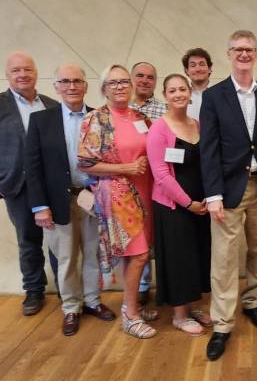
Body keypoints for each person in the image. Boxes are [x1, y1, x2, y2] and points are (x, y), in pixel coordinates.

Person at [200, 30, 257, 361]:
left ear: (256, 53)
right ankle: (222, 324)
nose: (244, 54)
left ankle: (252, 301)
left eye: (249, 49)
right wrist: (212, 195)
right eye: (238, 49)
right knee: (224, 257)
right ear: (228, 53)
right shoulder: (214, 96)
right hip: (229, 187)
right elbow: (208, 150)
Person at [25, 64, 116, 336]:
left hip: (91, 199)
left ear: (86, 86)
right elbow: (34, 166)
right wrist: (40, 206)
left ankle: (92, 301)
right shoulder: (42, 121)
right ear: (56, 87)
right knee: (66, 258)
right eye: (65, 81)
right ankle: (71, 308)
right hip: (57, 201)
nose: (72, 86)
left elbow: (109, 158)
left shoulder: (100, 117)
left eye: (77, 81)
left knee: (92, 253)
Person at [78, 64, 156, 339]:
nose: (120, 86)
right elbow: (86, 164)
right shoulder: (96, 119)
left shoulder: (140, 117)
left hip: (146, 192)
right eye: (113, 83)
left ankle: (131, 304)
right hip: (118, 195)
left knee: (135, 256)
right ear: (104, 89)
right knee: (138, 254)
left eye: (124, 81)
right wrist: (126, 168)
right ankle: (130, 315)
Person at [0, 51, 59, 316]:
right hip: (17, 184)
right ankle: (34, 290)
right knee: (28, 240)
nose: (22, 74)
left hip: (52, 184)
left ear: (36, 73)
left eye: (27, 69)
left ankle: (65, 289)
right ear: (8, 75)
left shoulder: (51, 105)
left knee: (58, 238)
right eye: (16, 70)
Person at [147, 74, 212, 336]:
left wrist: (207, 198)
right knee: (178, 258)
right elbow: (160, 174)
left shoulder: (197, 124)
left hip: (201, 204)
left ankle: (192, 304)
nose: (178, 94)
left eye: (182, 89)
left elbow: (206, 162)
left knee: (196, 255)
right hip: (174, 205)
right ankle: (179, 314)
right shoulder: (158, 129)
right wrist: (188, 203)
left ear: (189, 93)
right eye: (172, 90)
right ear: (165, 95)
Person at [129, 61, 165, 306]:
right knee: (136, 235)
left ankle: (164, 286)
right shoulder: (120, 108)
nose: (144, 80)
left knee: (158, 233)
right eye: (139, 76)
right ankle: (141, 287)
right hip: (129, 183)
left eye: (150, 77)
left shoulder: (164, 110)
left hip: (158, 182)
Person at [182, 48, 213, 120]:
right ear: (186, 71)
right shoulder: (181, 96)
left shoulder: (220, 94)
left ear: (209, 68)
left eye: (202, 64)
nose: (198, 69)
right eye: (193, 65)